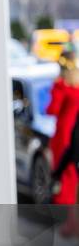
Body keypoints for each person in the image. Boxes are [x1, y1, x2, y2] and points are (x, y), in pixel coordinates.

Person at [47, 49, 79, 204]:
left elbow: (53, 109)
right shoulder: (77, 86)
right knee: (73, 174)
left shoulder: (61, 86)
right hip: (74, 132)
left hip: (64, 134)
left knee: (64, 173)